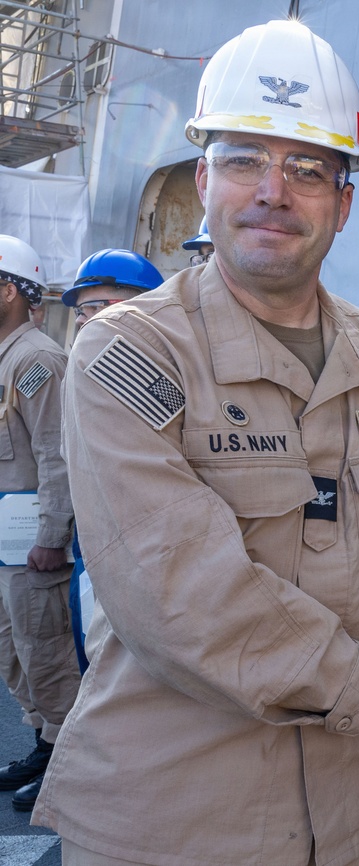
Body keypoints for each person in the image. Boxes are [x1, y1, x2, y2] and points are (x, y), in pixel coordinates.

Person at [33, 20, 359, 866]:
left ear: (344, 203)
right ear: (203, 180)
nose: (274, 190)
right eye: (244, 160)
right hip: (175, 824)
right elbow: (181, 592)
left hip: (355, 822)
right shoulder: (131, 351)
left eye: (308, 168)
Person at [0, 235, 79, 813]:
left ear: (8, 291)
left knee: (46, 650)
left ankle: (67, 763)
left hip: (33, 545)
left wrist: (53, 537)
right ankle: (42, 743)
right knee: (14, 652)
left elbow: (56, 454)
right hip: (6, 545)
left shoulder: (35, 361)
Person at [60, 249, 165, 672]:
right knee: (92, 658)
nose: (85, 319)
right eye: (82, 310)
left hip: (132, 546)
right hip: (91, 537)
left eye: (96, 307)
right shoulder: (88, 364)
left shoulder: (145, 368)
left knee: (118, 671)